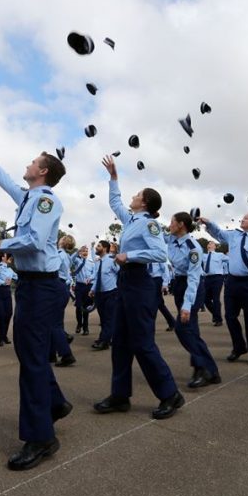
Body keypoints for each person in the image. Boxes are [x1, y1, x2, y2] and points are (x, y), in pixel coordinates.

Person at [0, 142, 71, 471]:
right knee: (30, 354)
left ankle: (41, 438)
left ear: (42, 171)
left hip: (41, 286)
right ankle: (54, 402)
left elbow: (35, 240)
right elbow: (6, 182)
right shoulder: (29, 196)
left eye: (32, 162)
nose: (26, 165)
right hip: (31, 285)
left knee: (31, 361)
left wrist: (4, 244)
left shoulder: (44, 200)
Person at [93, 155, 184, 419]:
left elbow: (159, 254)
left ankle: (170, 394)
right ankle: (120, 395)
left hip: (140, 283)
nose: (132, 197)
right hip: (125, 283)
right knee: (120, 342)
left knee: (143, 343)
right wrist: (113, 178)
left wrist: (128, 256)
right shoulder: (131, 220)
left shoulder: (150, 224)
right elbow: (114, 202)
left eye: (136, 194)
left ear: (144, 202)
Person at [200, 213, 248, 366]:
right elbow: (218, 233)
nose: (242, 219)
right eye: (242, 217)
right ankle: (239, 347)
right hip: (232, 281)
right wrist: (208, 222)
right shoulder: (234, 236)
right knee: (230, 316)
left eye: (246, 218)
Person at [167, 212, 221, 387]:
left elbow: (194, 279)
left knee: (183, 328)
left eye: (172, 222)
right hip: (179, 284)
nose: (169, 225)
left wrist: (187, 306)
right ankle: (205, 370)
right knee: (191, 329)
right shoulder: (170, 240)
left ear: (181, 224)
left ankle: (207, 368)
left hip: (193, 286)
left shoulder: (193, 248)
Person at [90, 239, 119, 351]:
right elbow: (97, 277)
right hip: (99, 293)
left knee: (108, 318)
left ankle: (104, 341)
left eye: (99, 246)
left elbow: (119, 273)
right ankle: (105, 338)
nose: (97, 247)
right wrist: (92, 289)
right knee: (103, 318)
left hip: (111, 292)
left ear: (105, 248)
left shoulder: (112, 261)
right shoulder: (97, 262)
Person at [52, 236, 76, 367]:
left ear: (62, 242)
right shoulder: (66, 255)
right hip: (62, 288)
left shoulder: (59, 254)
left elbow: (51, 268)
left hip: (56, 286)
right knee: (56, 321)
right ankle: (52, 353)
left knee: (53, 323)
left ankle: (66, 353)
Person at [0, 252, 17, 346]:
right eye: (7, 255)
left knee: (9, 313)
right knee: (0, 315)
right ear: (2, 258)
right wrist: (3, 282)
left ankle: (4, 335)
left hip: (6, 292)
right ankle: (0, 338)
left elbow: (17, 277)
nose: (10, 257)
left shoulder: (10, 270)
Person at [201, 241, 227, 326]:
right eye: (208, 243)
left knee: (216, 298)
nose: (210, 244)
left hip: (217, 278)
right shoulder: (203, 256)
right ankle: (215, 314)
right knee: (206, 299)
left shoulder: (220, 255)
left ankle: (218, 320)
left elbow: (231, 260)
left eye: (212, 243)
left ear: (215, 247)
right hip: (207, 278)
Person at [70, 245, 94, 335]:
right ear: (80, 252)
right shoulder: (77, 261)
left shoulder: (91, 263)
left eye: (86, 251)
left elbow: (94, 273)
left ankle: (85, 327)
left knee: (86, 307)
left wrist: (91, 278)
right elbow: (71, 259)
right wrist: (77, 251)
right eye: (83, 251)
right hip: (79, 286)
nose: (85, 252)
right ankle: (79, 324)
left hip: (88, 286)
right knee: (79, 306)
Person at [149, 261, 177, 331]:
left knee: (154, 303)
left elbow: (165, 270)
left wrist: (165, 284)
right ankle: (172, 322)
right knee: (159, 304)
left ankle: (150, 326)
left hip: (157, 280)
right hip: (148, 280)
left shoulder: (158, 253)